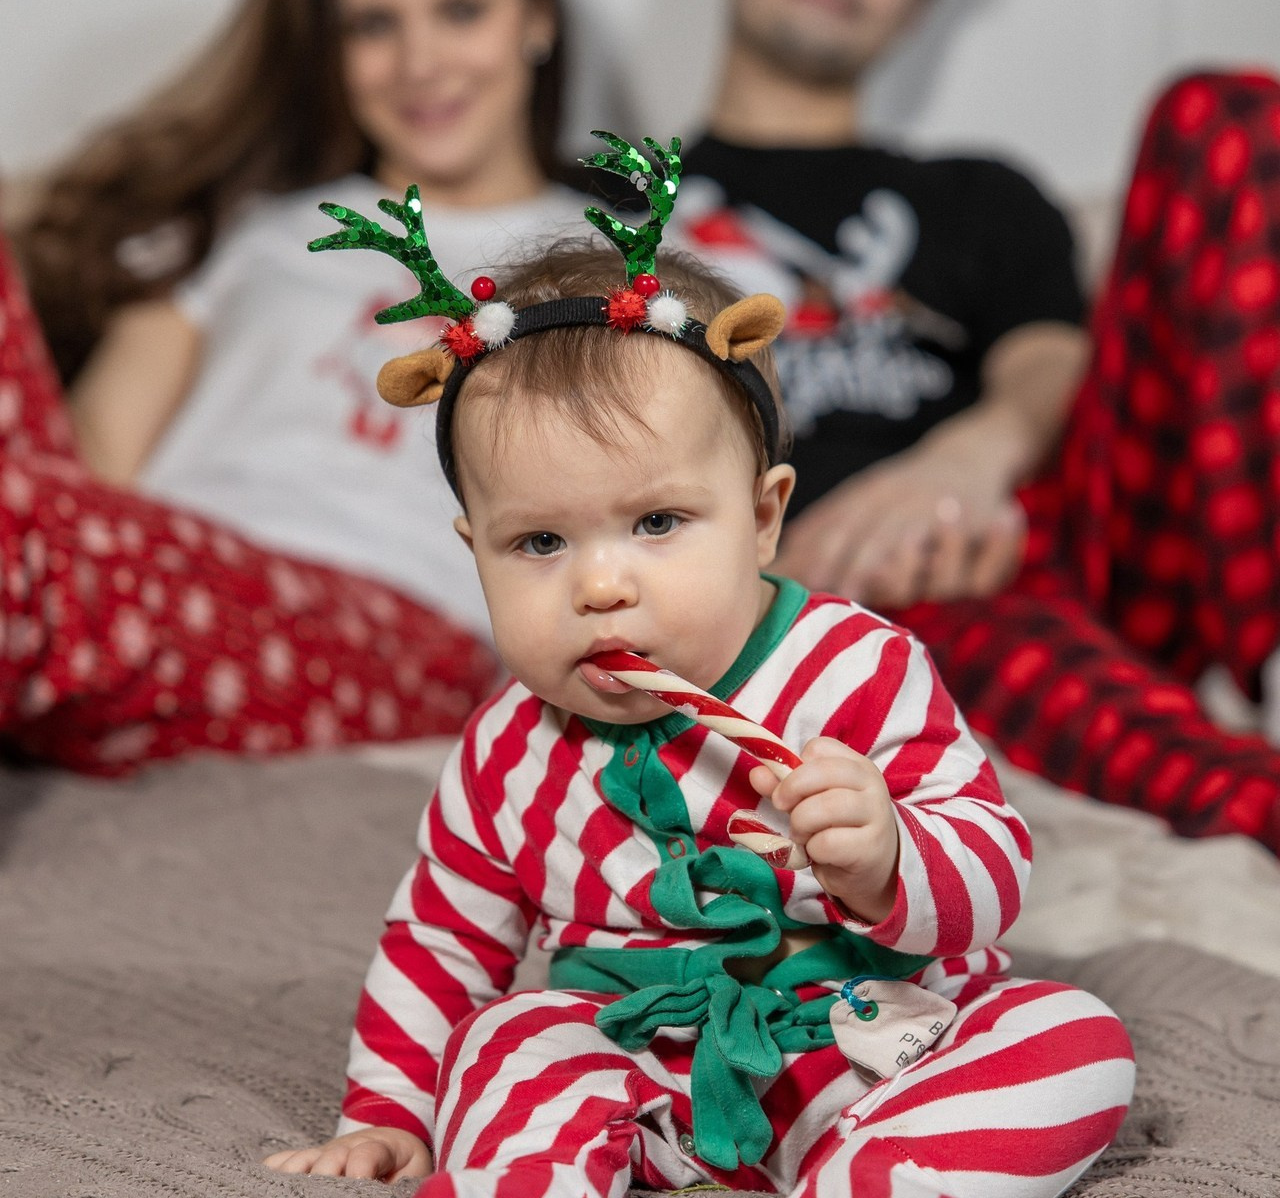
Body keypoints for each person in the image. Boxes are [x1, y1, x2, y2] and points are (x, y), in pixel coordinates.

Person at [262, 182, 1134, 1196]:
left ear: (761, 519)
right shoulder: (505, 747)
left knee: (1068, 1034)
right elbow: (439, 939)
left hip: (865, 1040)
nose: (599, 583)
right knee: (509, 1039)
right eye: (537, 541)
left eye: (657, 522)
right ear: (476, 552)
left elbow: (990, 867)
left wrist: (892, 853)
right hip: (631, 1052)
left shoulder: (853, 665)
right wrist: (388, 1109)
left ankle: (873, 1176)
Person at [671, 0, 1280, 853]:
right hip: (875, 601)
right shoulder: (617, 215)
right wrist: (775, 580)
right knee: (953, 639)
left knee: (1226, 114)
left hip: (1054, 536)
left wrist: (966, 461)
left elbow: (1051, 360)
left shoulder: (980, 194)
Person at [4, 0, 591, 774]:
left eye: (460, 10)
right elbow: (84, 463)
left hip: (402, 626)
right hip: (138, 568)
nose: (420, 63)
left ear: (537, 17)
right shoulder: (246, 232)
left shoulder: (617, 260)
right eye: (372, 25)